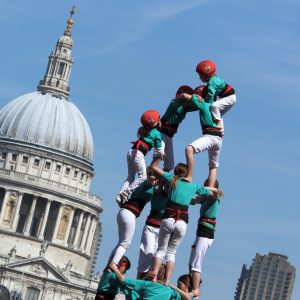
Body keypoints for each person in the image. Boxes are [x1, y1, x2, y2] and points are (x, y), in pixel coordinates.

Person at [149, 159, 219, 285]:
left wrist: (158, 158)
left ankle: (154, 275)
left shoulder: (171, 179)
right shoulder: (194, 186)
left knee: (161, 250)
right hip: (182, 222)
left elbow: (154, 168)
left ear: (176, 171)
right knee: (171, 252)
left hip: (168, 218)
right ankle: (167, 280)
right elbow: (209, 192)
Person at [110, 168, 157, 265]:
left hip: (124, 212)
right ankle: (113, 264)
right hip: (129, 214)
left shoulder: (141, 185)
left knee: (121, 242)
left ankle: (110, 262)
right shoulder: (146, 183)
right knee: (125, 244)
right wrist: (156, 176)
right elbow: (150, 179)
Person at [117, 109, 164, 204]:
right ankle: (126, 193)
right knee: (142, 177)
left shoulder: (145, 130)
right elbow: (159, 149)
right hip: (138, 154)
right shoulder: (156, 133)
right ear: (156, 122)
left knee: (130, 177)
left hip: (131, 151)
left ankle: (119, 196)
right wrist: (162, 155)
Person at [178, 87, 223, 185]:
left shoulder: (203, 103)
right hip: (219, 139)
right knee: (213, 166)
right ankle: (210, 190)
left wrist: (182, 97)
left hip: (210, 136)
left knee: (189, 149)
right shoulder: (217, 107)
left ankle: (189, 176)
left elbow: (185, 95)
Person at [189, 179, 223, 299]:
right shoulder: (205, 198)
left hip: (206, 233)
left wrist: (205, 189)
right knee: (191, 264)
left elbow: (215, 193)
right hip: (201, 232)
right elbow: (193, 200)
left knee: (196, 264)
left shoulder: (214, 197)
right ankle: (192, 288)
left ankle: (195, 294)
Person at [109, 262, 199, 300]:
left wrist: (114, 268)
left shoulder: (147, 284)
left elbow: (123, 279)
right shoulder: (169, 291)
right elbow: (187, 297)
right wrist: (194, 293)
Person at [136, 179, 169, 279]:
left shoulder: (172, 197)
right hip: (151, 226)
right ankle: (139, 278)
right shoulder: (156, 193)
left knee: (156, 257)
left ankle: (149, 280)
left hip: (162, 230)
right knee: (147, 253)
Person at [160, 85, 197, 171]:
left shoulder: (185, 108)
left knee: (169, 165)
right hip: (162, 132)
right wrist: (192, 96)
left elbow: (198, 106)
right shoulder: (175, 103)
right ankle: (150, 176)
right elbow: (183, 96)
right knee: (159, 153)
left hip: (169, 135)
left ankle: (159, 182)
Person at [195, 60, 236, 132]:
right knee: (218, 113)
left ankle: (219, 125)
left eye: (200, 75)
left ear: (206, 74)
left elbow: (211, 95)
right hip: (228, 97)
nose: (199, 78)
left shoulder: (212, 82)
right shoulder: (213, 79)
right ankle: (220, 130)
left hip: (229, 97)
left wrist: (205, 104)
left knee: (214, 106)